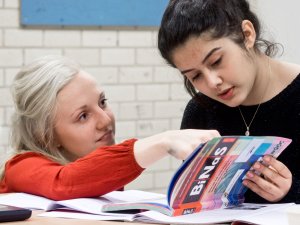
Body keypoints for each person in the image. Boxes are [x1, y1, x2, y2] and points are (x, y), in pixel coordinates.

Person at [0, 55, 219, 200]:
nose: (105, 120)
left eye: (103, 102)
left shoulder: (95, 171)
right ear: (45, 136)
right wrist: (161, 142)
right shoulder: (20, 167)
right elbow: (64, 182)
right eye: (83, 116)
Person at [158, 0, 300, 204]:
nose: (212, 82)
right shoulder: (200, 110)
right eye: (195, 76)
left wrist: (292, 191)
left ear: (247, 35)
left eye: (216, 61)